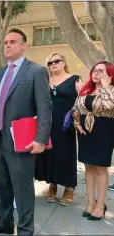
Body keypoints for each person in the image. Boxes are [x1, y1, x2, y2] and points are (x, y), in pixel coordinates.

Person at [0, 28, 52, 236]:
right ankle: (4, 223)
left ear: (24, 45)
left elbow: (45, 107)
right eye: (5, 42)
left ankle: (25, 230)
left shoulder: (36, 71)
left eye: (13, 41)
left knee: (22, 189)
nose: (8, 45)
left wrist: (41, 139)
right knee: (1, 186)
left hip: (21, 141)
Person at [35, 52, 83, 206]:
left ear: (64, 62)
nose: (53, 64)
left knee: (66, 155)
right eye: (50, 63)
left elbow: (84, 99)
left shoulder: (74, 79)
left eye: (56, 61)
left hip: (65, 125)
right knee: (50, 154)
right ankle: (53, 184)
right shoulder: (45, 80)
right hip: (47, 124)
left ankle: (69, 187)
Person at [72, 61, 114, 221]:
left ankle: (101, 205)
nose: (96, 73)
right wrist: (77, 124)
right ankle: (90, 203)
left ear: (109, 74)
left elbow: (110, 106)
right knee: (88, 167)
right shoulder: (85, 90)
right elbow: (75, 108)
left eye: (101, 71)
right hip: (85, 132)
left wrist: (106, 86)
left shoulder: (111, 90)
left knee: (101, 168)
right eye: (94, 70)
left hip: (104, 131)